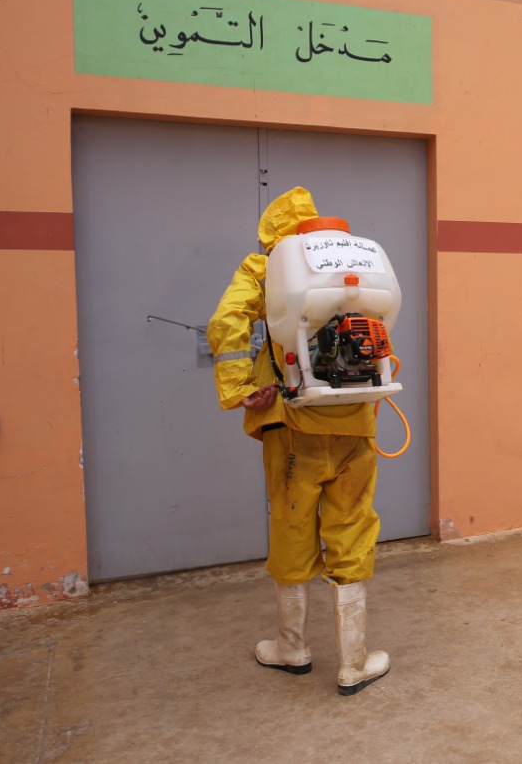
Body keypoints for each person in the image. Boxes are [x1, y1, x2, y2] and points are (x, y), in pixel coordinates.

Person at [207, 186, 390, 693]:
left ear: (272, 234)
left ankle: (292, 648)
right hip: (352, 420)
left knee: (291, 526)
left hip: (291, 425)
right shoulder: (353, 260)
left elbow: (226, 320)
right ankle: (354, 662)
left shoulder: (265, 267)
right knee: (352, 529)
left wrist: (240, 387)